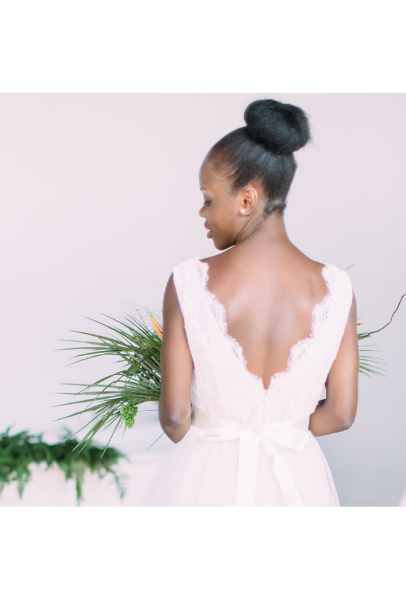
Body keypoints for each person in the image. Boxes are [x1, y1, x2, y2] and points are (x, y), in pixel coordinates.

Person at [140, 99, 359, 506]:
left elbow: (174, 417)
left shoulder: (189, 282)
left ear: (246, 200)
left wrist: (224, 442)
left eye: (208, 199)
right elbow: (342, 413)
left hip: (208, 478)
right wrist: (281, 426)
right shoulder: (337, 289)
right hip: (296, 477)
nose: (202, 212)